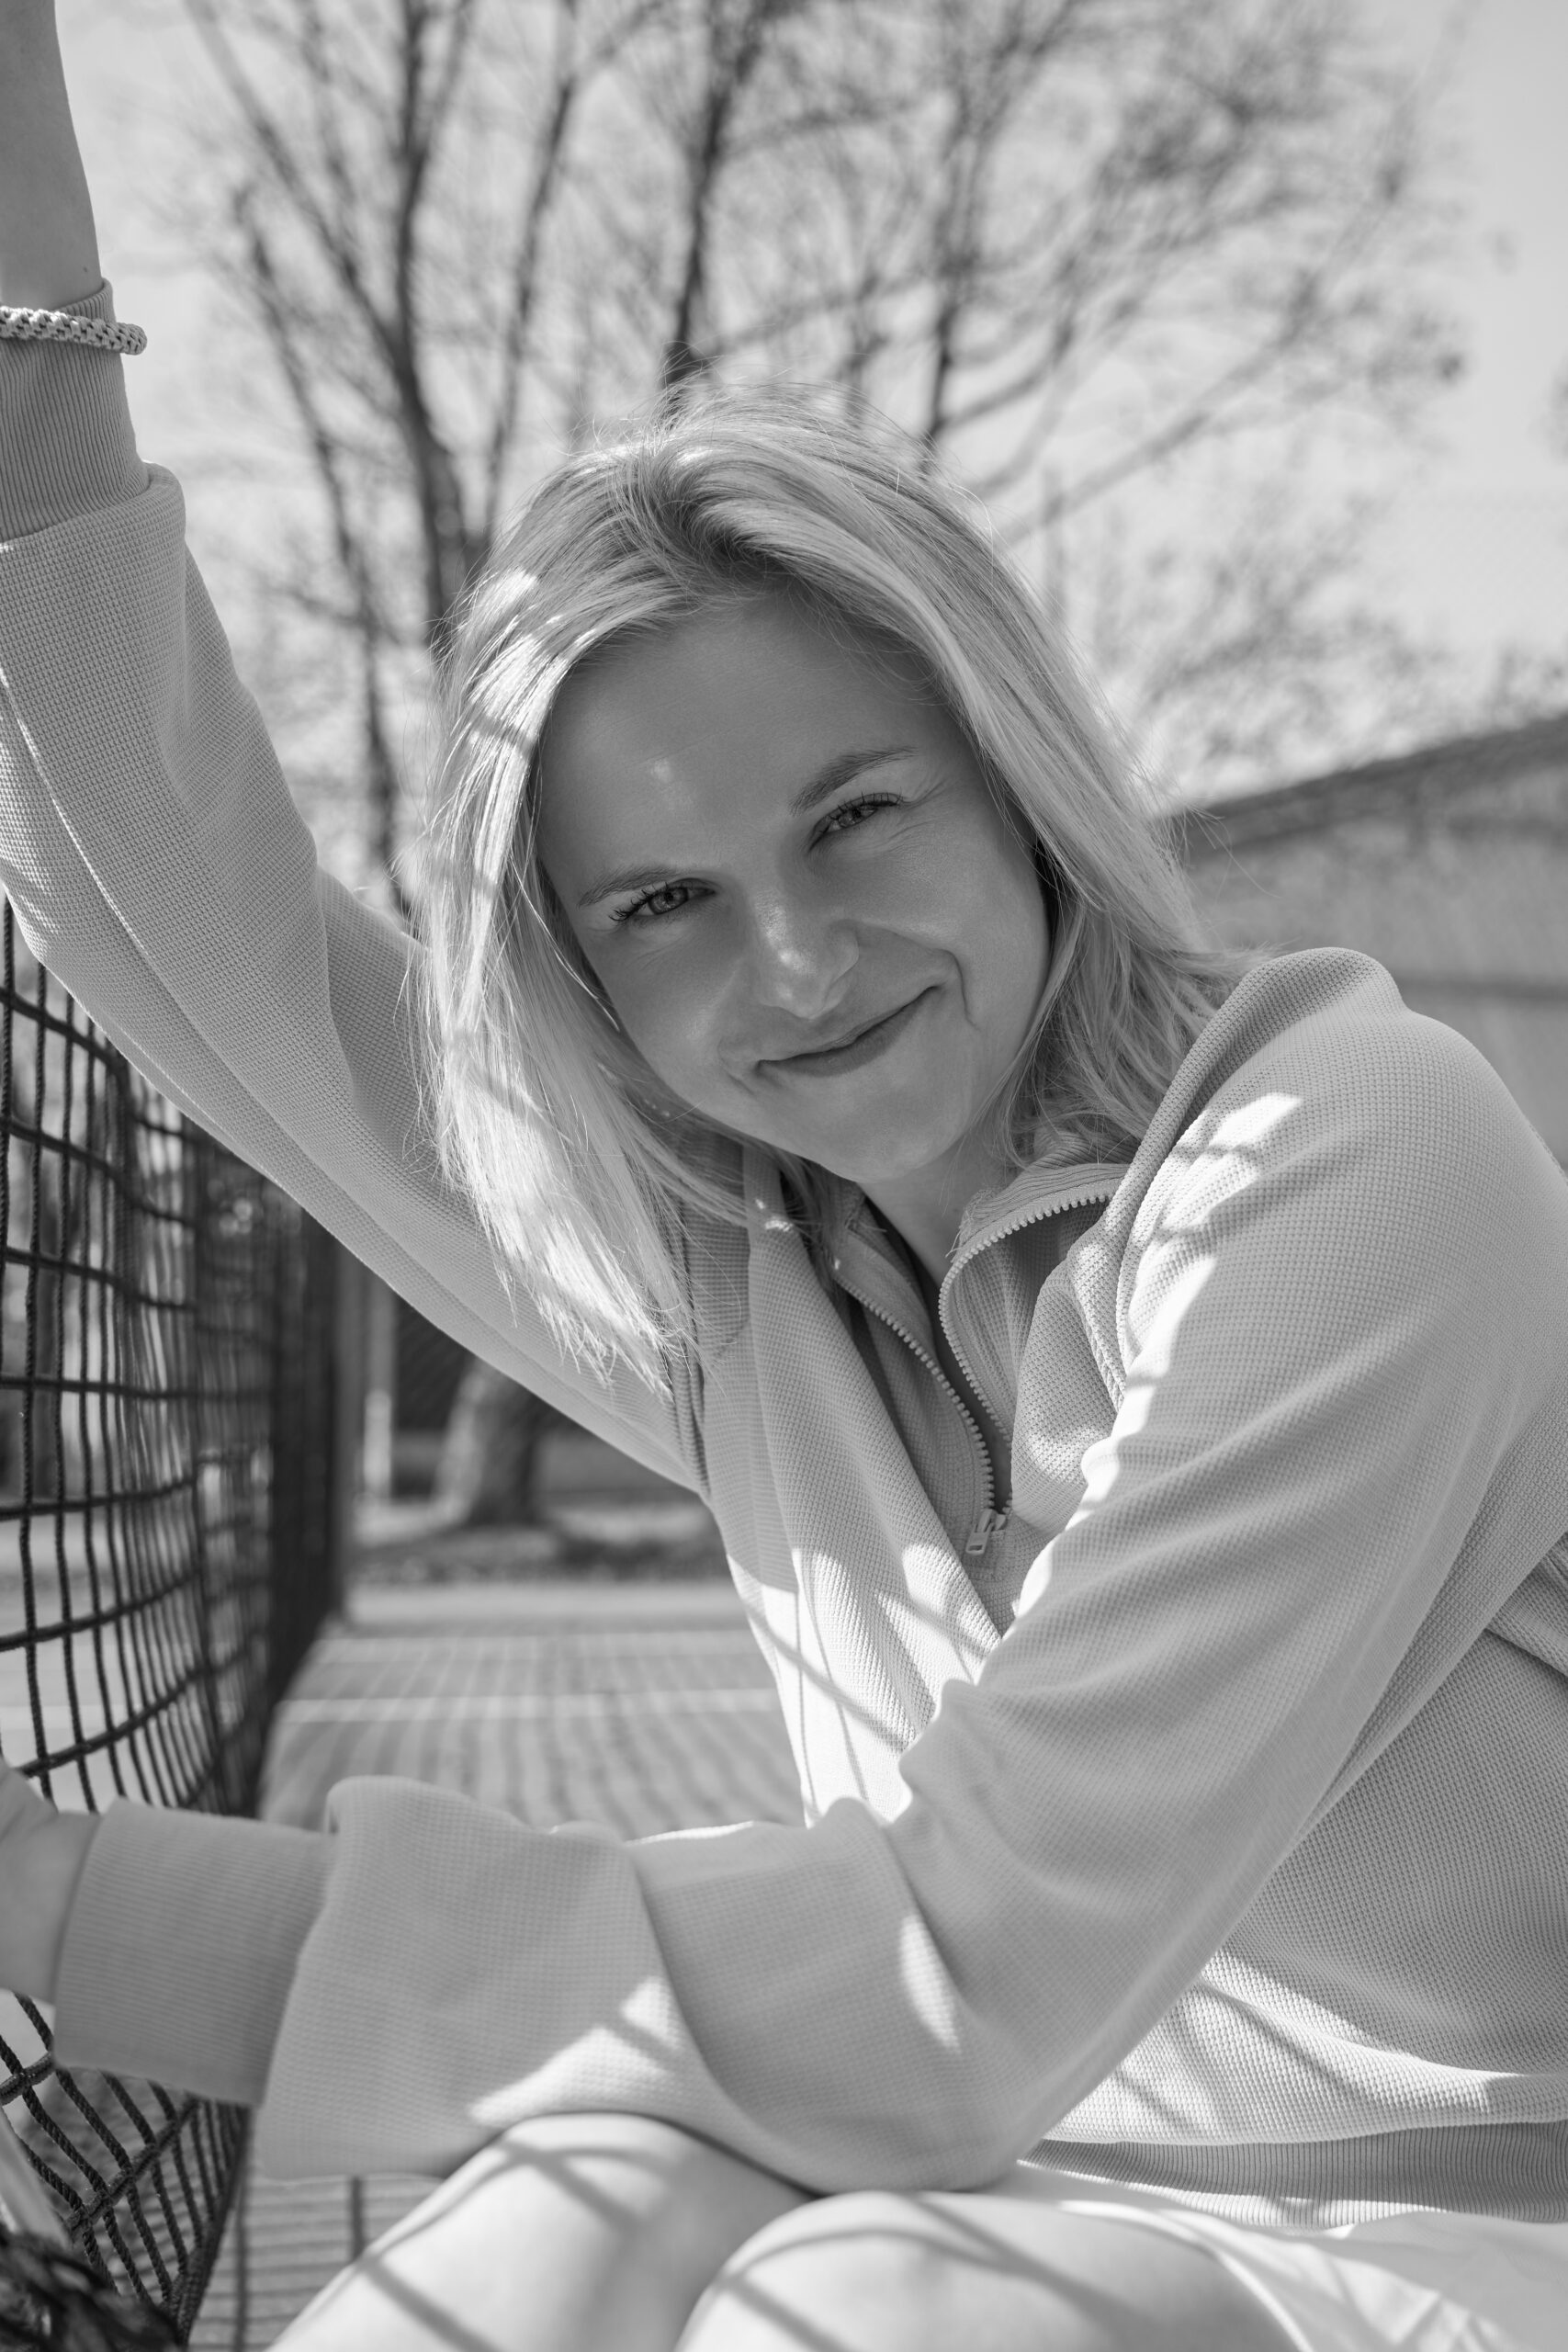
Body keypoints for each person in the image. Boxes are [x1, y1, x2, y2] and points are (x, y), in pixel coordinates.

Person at [3, 6, 1568, 2346]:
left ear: (1013, 777)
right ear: (582, 978)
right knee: (517, 2255)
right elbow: (185, 921)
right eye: (665, 903)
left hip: (1473, 2210)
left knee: (830, 2306)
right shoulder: (737, 1269)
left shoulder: (1344, 1150)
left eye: (854, 816)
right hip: (994, 2159)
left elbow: (954, 1963)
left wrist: (57, 1899)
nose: (800, 962)